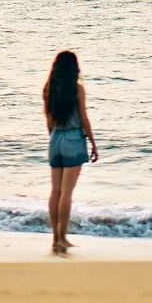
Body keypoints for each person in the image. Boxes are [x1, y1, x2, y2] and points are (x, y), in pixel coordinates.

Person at [43, 49, 98, 254]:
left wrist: (53, 138)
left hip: (55, 138)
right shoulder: (77, 89)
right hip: (74, 138)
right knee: (67, 192)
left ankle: (55, 238)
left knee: (55, 191)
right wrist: (93, 143)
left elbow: (48, 119)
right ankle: (63, 238)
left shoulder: (48, 89)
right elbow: (84, 119)